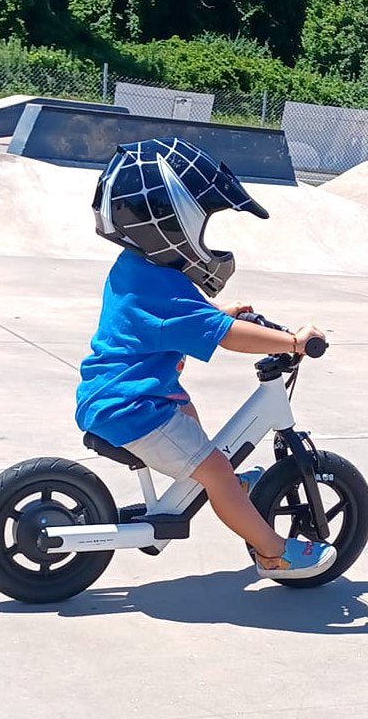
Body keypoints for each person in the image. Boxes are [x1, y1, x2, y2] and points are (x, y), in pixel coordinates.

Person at [75, 137, 336, 579]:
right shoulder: (161, 286)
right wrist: (291, 341)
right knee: (214, 468)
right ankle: (274, 552)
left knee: (188, 413)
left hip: (127, 397)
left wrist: (214, 313)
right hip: (133, 409)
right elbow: (228, 339)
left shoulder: (140, 270)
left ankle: (225, 487)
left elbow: (178, 319)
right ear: (170, 223)